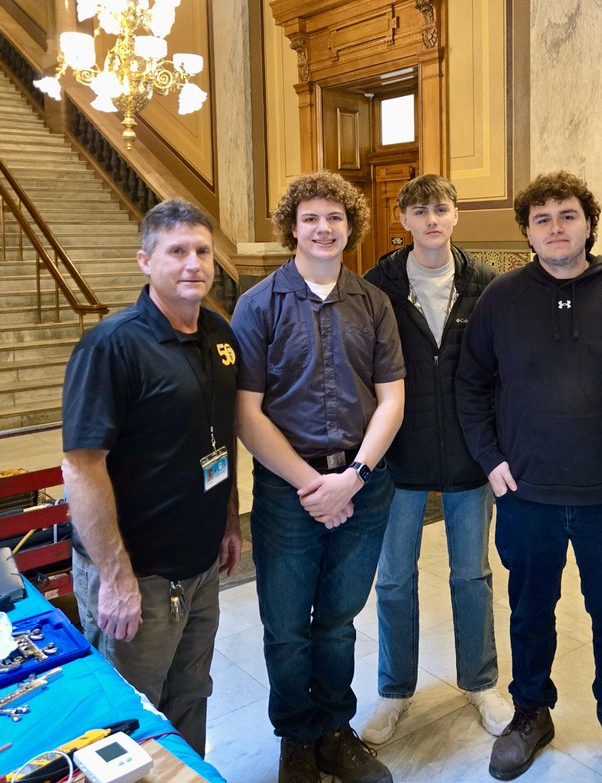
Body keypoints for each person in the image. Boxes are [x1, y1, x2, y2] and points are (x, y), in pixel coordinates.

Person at [456, 171, 602, 783]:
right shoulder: (500, 298)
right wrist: (491, 461)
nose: (555, 227)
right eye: (541, 218)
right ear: (526, 231)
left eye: (567, 215)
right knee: (528, 613)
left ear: (589, 223)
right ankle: (530, 714)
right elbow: (471, 385)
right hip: (527, 496)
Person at [231, 171, 405, 783]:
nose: (324, 228)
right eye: (311, 218)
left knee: (337, 620)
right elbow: (247, 414)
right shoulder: (257, 305)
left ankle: (334, 730)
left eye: (335, 217)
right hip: (286, 492)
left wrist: (353, 477)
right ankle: (296, 738)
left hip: (364, 485)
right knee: (285, 625)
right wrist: (314, 485)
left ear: (349, 227)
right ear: (293, 229)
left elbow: (391, 400)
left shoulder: (374, 303)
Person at [61, 198, 242, 757]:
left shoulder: (219, 333)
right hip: (137, 575)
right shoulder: (112, 345)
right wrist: (116, 580)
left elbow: (221, 434)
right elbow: (82, 464)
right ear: (145, 261)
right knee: (132, 719)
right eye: (177, 251)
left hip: (201, 566)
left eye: (203, 251)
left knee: (191, 694)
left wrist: (230, 521)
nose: (194, 264)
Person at [359, 174, 512, 745]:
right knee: (394, 579)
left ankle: (480, 682)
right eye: (419, 210)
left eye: (440, 209)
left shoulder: (486, 284)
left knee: (471, 575)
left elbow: (501, 372)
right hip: (397, 455)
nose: (431, 220)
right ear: (403, 220)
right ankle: (394, 692)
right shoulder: (377, 285)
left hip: (471, 454)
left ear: (455, 216)